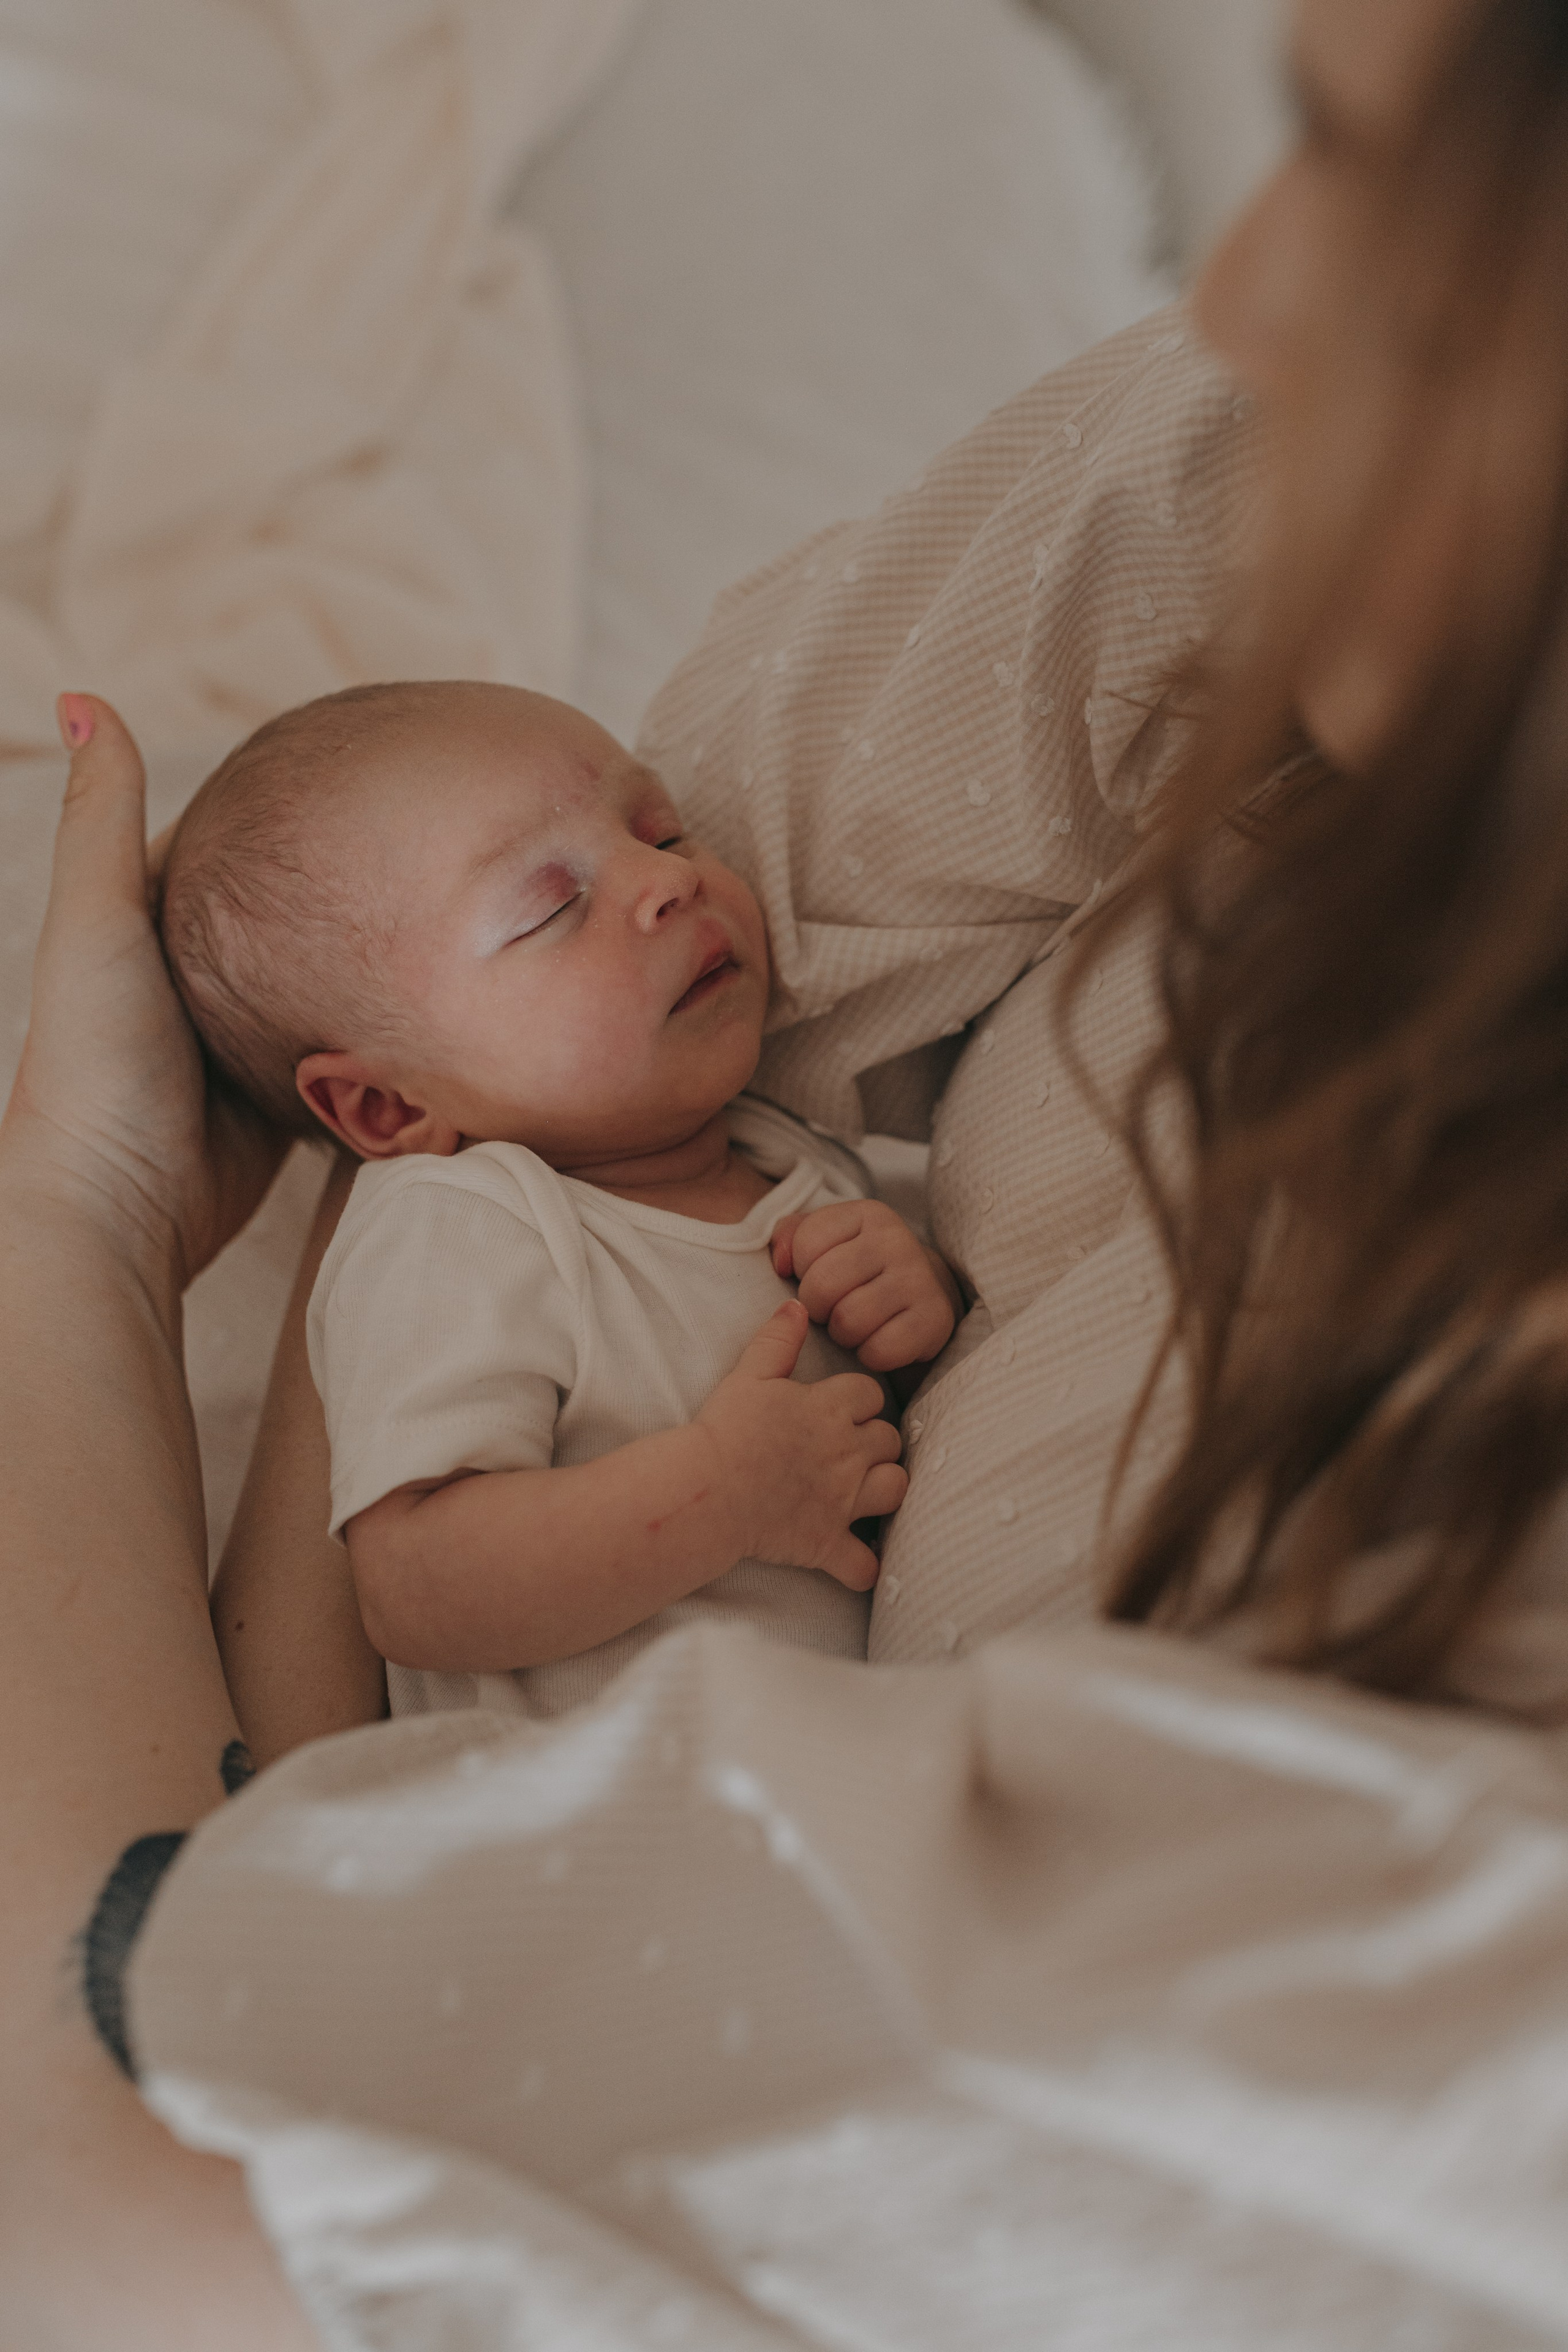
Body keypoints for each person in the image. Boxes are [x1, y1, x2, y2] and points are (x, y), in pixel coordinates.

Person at [2, 0, 1562, 2338]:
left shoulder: (1407, 1917)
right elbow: (426, 1552)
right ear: (380, 1111)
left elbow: (114, 2175)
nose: (1244, 298)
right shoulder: (496, 1203)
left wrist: (80, 1230)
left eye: (1353, 167)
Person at [159, 680, 950, 1717]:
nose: (665, 881)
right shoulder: (460, 1227)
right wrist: (718, 1496)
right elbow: (419, 1588)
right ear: (387, 1110)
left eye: (662, 830)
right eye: (551, 907)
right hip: (575, 1814)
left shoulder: (790, 1155)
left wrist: (910, 1290)